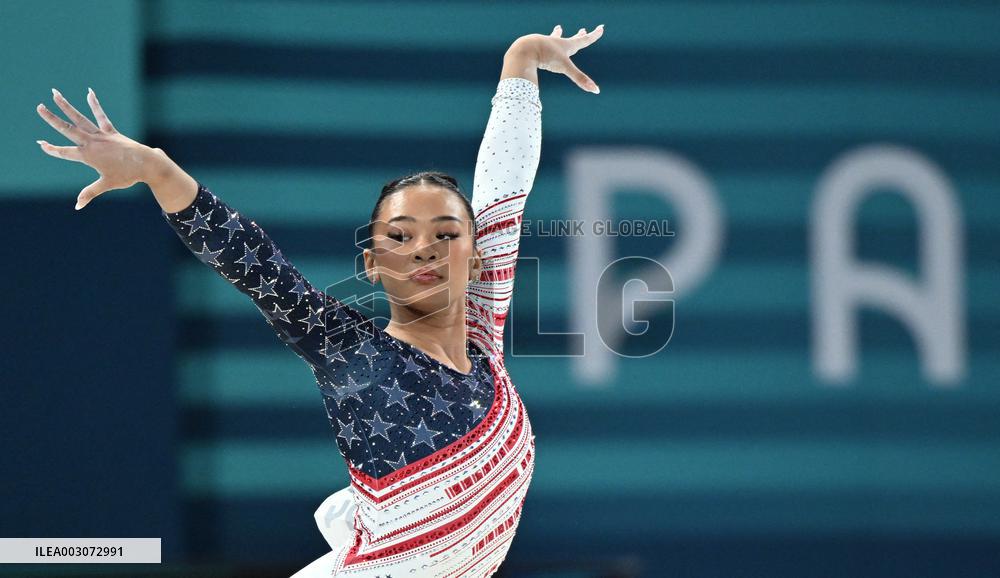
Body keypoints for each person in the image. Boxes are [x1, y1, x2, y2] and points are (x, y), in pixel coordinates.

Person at [36, 23, 604, 578]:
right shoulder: (353, 354)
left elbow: (505, 181)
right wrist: (157, 170)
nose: (426, 250)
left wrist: (522, 58)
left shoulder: (482, 332)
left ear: (478, 258)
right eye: (400, 237)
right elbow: (257, 265)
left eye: (447, 234)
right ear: (373, 265)